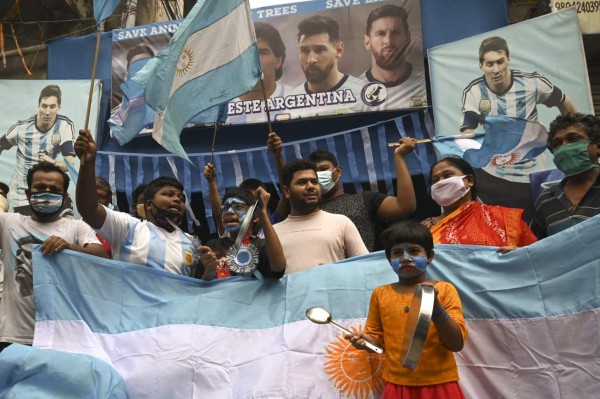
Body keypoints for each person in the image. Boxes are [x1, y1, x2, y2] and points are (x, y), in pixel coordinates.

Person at [346, 220, 467, 398]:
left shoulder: (445, 291)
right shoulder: (381, 294)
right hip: (397, 385)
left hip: (440, 385)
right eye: (397, 253)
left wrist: (437, 309)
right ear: (389, 260)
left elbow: (456, 343)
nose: (405, 258)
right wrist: (365, 342)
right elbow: (376, 344)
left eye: (414, 251)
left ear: (430, 256)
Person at [0, 161, 106, 349]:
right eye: (40, 187)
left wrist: (69, 248)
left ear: (65, 197)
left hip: (59, 337)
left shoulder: (75, 227)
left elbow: (102, 256)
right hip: (12, 336)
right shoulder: (8, 222)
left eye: (53, 189)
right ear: (27, 193)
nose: (46, 192)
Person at [75, 129, 197, 275]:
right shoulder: (128, 228)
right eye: (168, 194)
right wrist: (88, 163)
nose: (177, 199)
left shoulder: (190, 242)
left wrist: (208, 270)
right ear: (149, 204)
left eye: (181, 198)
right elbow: (89, 210)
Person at [267, 132, 417, 251]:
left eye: (323, 169)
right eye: (314, 173)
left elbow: (405, 206)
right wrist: (278, 157)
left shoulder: (365, 199)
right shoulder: (305, 209)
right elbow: (288, 190)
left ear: (338, 171)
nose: (318, 176)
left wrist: (399, 157)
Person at [460, 36, 576, 134]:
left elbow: (564, 102)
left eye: (500, 62)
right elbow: (467, 131)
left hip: (531, 158)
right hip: (495, 158)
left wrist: (573, 135)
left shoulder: (532, 82)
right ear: (481, 66)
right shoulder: (473, 92)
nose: (496, 70)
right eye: (490, 64)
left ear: (508, 59)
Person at [422, 157, 537, 252]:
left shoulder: (504, 218)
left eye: (447, 175)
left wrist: (518, 254)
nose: (441, 182)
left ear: (469, 180)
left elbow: (534, 255)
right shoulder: (425, 228)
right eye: (435, 180)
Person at [272, 160, 368, 274]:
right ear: (287, 191)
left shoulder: (341, 222)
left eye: (314, 181)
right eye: (302, 182)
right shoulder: (274, 232)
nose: (310, 186)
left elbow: (365, 266)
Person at [0, 85, 76, 215]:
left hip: (50, 190)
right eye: (44, 106)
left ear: (59, 107)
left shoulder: (64, 126)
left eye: (52, 107)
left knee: (67, 220)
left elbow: (70, 163)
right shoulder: (21, 128)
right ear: (38, 105)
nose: (47, 112)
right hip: (23, 195)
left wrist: (53, 163)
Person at [531, 113, 600, 238]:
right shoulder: (545, 200)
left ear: (597, 146)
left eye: (573, 139)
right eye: (557, 144)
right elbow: (537, 249)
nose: (564, 147)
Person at [193, 187, 286, 280]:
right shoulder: (212, 246)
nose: (229, 212)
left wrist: (262, 213)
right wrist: (209, 271)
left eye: (238, 207)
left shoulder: (263, 245)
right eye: (225, 208)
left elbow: (279, 270)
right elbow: (199, 290)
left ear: (255, 216)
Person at [288, 15, 364, 117]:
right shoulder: (291, 101)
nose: (311, 60)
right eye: (304, 50)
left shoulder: (363, 94)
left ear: (338, 50)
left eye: (320, 50)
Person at [358, 4, 427, 110]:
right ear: (367, 42)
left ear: (408, 38)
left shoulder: (426, 83)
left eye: (396, 33)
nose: (388, 41)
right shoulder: (354, 91)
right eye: (381, 34)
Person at [227, 22, 291, 124]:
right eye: (247, 53)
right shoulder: (220, 111)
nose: (254, 60)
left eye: (262, 52)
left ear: (278, 61)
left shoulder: (297, 98)